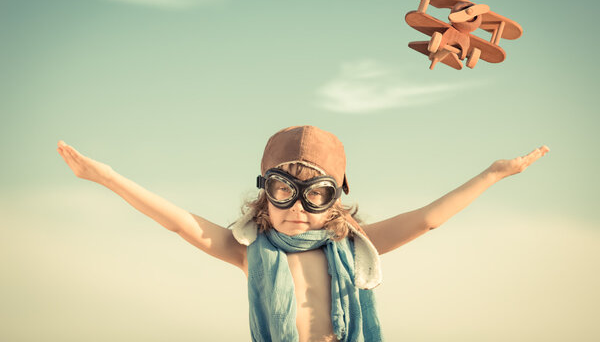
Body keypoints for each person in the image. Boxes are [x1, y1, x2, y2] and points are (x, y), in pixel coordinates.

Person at [56, 125, 549, 342]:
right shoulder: (250, 250)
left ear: (334, 200)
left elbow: (427, 219)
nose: (297, 208)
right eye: (281, 190)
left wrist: (492, 174)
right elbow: (178, 221)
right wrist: (106, 177)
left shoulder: (353, 247)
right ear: (264, 195)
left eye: (315, 195)